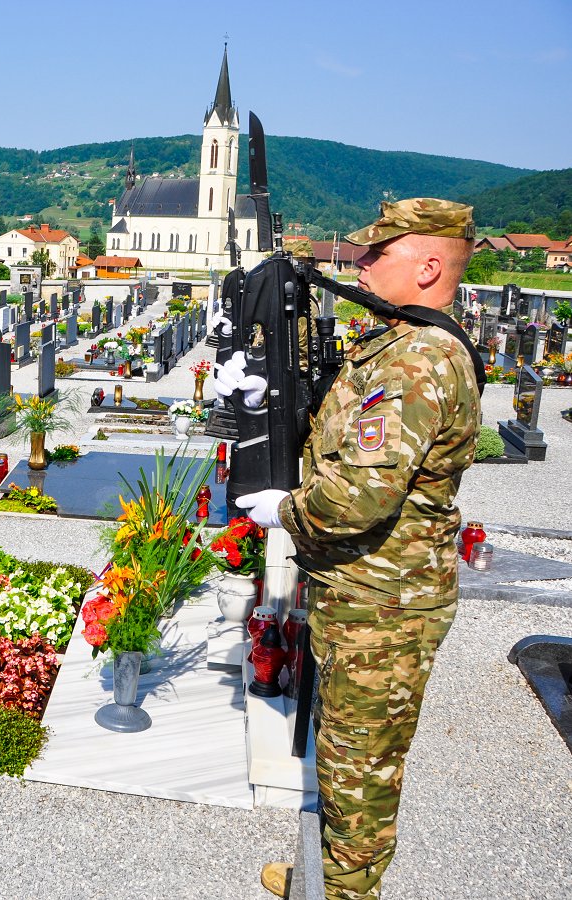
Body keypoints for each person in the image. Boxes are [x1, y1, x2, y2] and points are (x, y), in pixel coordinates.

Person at [224, 199, 479, 900]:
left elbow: (357, 498)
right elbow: (328, 434)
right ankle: (334, 874)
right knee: (342, 751)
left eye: (375, 255)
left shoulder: (419, 360)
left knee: (358, 766)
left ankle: (343, 892)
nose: (358, 264)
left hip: (384, 604)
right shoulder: (393, 343)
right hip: (364, 590)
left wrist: (284, 510)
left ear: (427, 267)